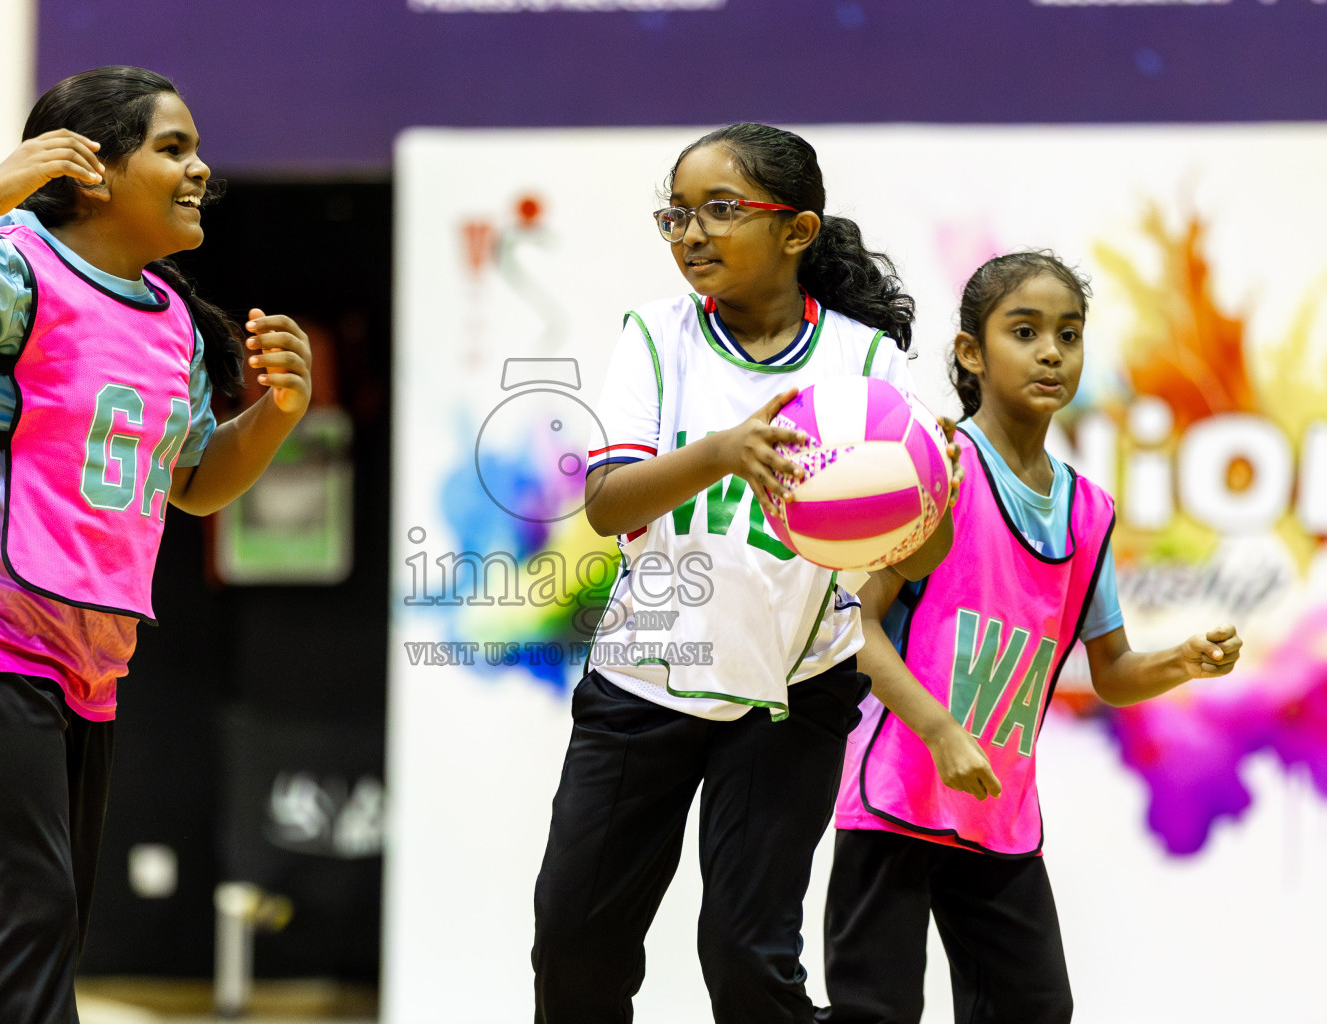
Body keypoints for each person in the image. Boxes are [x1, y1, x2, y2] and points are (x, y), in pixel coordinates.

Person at [0, 66, 312, 1022]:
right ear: (91, 170)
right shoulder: (14, 265)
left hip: (78, 656)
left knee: (22, 936)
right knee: (24, 926)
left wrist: (279, 414)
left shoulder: (168, 319)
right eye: (173, 147)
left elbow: (198, 485)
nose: (202, 167)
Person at [531, 122, 958, 1024]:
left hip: (792, 696)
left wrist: (931, 497)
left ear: (796, 230)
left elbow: (920, 556)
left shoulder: (866, 362)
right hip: (642, 682)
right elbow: (609, 505)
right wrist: (726, 452)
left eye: (719, 211)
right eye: (676, 215)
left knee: (746, 958)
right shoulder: (658, 336)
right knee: (575, 945)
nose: (691, 233)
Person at [819, 252, 1243, 1024]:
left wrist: (1178, 663)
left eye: (1069, 334)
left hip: (997, 817)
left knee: (1037, 1010)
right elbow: (855, 624)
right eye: (1025, 331)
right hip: (894, 800)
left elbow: (1111, 673)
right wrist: (941, 731)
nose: (1052, 351)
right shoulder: (937, 467)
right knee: (871, 1015)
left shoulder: (1089, 512)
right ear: (971, 353)